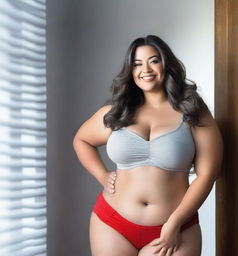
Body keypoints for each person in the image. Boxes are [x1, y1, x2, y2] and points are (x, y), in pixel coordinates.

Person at [73, 35, 223, 256]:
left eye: (153, 60)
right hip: (113, 224)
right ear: (130, 70)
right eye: (137, 63)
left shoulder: (192, 111)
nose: (146, 69)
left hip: (175, 227)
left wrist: (174, 223)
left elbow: (208, 174)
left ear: (166, 64)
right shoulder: (117, 111)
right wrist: (103, 176)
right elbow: (82, 140)